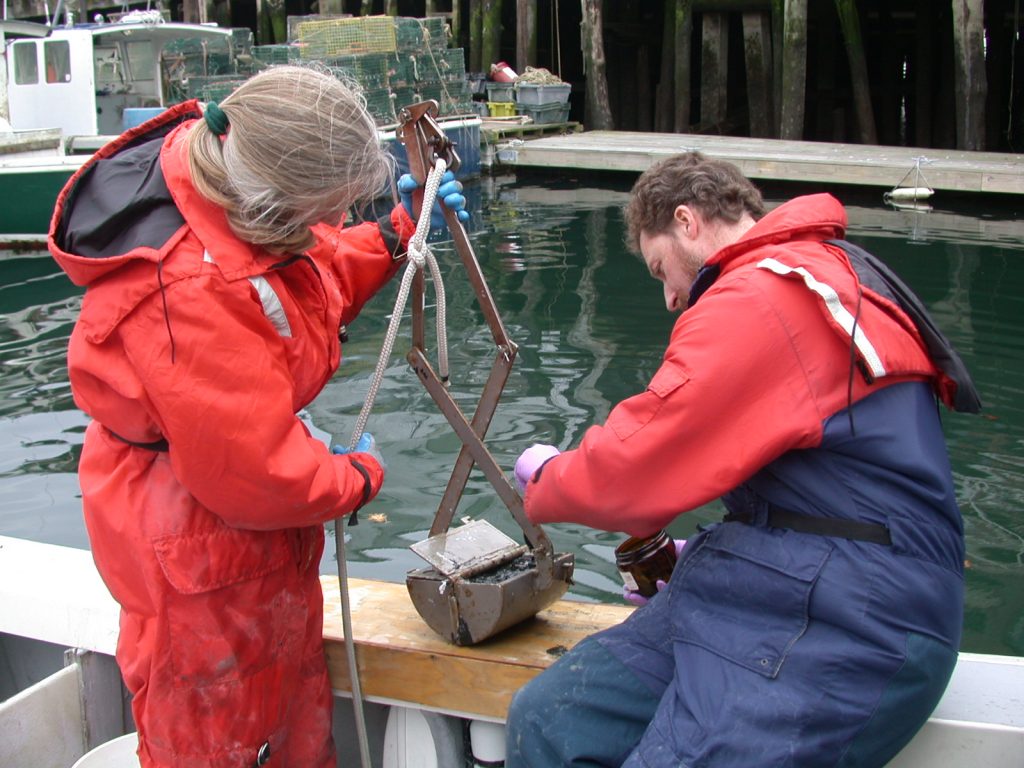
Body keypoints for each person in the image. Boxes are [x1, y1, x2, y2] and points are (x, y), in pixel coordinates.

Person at [48, 65, 466, 768]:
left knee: (292, 713)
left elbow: (302, 275)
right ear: (279, 202)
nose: (329, 226)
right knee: (220, 735)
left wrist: (394, 235)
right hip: (193, 546)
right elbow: (251, 472)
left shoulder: (225, 186)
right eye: (322, 210)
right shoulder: (185, 290)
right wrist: (353, 477)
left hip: (241, 541)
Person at [507, 152, 980, 767]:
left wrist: (548, 480)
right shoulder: (822, 274)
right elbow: (821, 485)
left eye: (660, 271)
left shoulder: (764, 295)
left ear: (687, 221)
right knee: (546, 720)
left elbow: (637, 466)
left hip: (859, 616)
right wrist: (709, 552)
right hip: (787, 578)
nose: (671, 298)